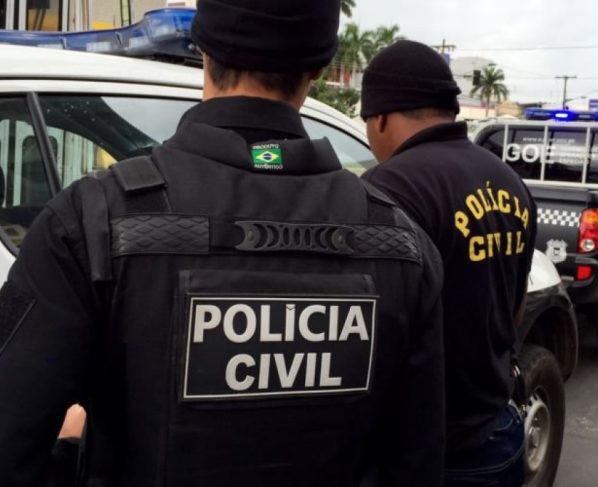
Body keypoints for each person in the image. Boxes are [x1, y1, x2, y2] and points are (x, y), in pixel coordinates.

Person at [0, 3, 446, 486]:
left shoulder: (91, 222)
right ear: (319, 68)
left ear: (204, 50)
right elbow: (417, 463)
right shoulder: (403, 245)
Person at [361, 40, 537, 487]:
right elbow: (515, 307)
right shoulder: (510, 181)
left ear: (380, 118)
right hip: (499, 434)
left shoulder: (388, 187)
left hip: (427, 452)